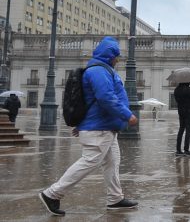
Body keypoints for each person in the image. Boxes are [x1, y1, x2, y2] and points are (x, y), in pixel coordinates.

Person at [39, 36, 139, 216]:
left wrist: (82, 123)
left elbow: (90, 100)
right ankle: (52, 193)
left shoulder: (101, 69)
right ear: (110, 56)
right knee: (90, 161)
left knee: (112, 161)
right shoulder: (99, 71)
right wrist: (127, 115)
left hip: (105, 126)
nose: (118, 60)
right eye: (117, 56)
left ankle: (115, 199)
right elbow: (105, 98)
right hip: (99, 127)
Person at [174, 82, 190, 156]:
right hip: (188, 112)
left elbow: (177, 100)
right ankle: (186, 150)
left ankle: (178, 150)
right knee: (188, 131)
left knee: (181, 130)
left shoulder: (176, 90)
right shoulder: (188, 89)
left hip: (181, 112)